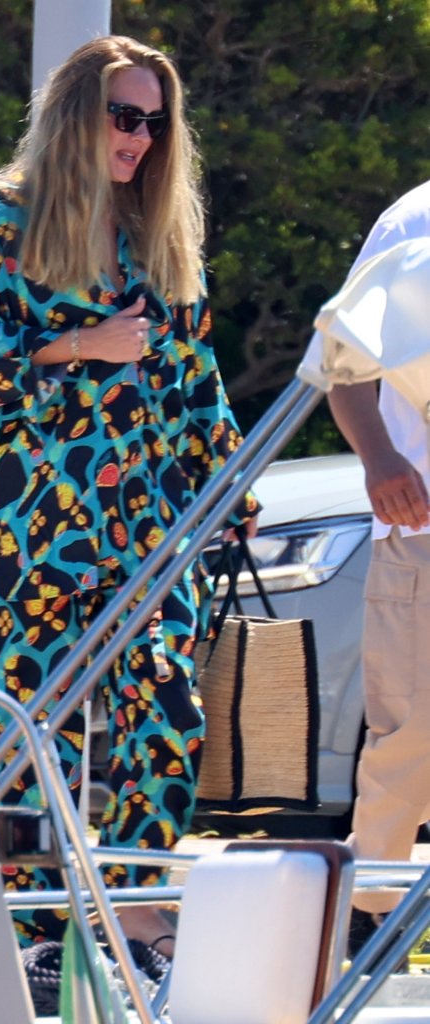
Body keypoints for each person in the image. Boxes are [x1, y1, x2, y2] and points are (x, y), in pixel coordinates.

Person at [0, 34, 258, 955]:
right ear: (77, 113)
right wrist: (82, 347)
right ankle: (40, 929)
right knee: (34, 729)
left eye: (156, 123)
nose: (141, 139)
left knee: (164, 713)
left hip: (150, 528)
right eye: (125, 116)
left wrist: (228, 484)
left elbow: (198, 384)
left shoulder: (158, 234)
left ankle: (134, 905)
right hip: (31, 523)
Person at [323, 180, 430, 953]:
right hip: (422, 526)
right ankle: (371, 925)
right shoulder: (413, 219)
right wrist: (381, 459)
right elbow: (342, 360)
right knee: (408, 741)